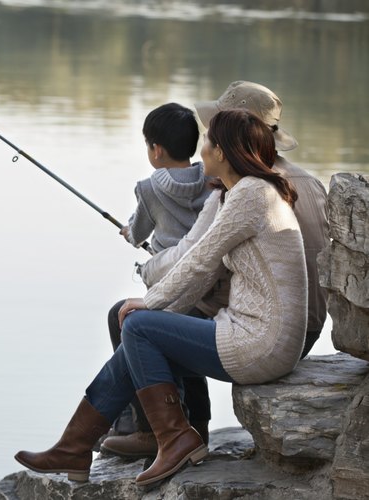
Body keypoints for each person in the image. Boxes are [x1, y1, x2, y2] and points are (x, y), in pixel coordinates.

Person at [15, 109, 308, 486]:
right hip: (253, 332)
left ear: (223, 152)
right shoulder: (242, 192)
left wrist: (151, 304)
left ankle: (174, 437)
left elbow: (200, 262)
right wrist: (156, 307)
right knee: (138, 335)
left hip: (262, 343)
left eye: (208, 143)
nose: (202, 151)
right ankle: (76, 445)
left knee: (138, 327)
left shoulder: (251, 195)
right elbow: (198, 264)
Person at [101, 81, 330, 459]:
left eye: (216, 131)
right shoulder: (308, 181)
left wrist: (148, 276)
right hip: (310, 323)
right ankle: (168, 430)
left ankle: (164, 432)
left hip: (268, 327)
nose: (209, 141)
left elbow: (194, 258)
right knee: (169, 310)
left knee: (139, 317)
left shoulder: (244, 188)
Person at [120, 103, 213, 253]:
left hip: (170, 270)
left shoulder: (148, 189)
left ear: (157, 150)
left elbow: (137, 235)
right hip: (209, 263)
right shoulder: (214, 179)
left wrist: (128, 232)